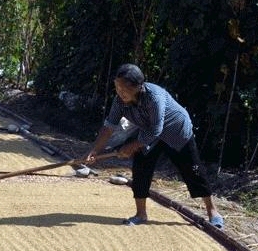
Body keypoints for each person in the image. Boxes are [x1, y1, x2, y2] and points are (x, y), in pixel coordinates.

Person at [85, 63, 224, 228]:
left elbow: (156, 130)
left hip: (176, 131)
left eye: (124, 89)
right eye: (117, 88)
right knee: (141, 167)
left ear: (137, 86)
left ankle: (212, 210)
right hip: (149, 134)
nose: (120, 92)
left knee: (193, 169)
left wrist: (131, 146)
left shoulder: (153, 97)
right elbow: (109, 127)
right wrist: (94, 151)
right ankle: (141, 214)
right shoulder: (119, 101)